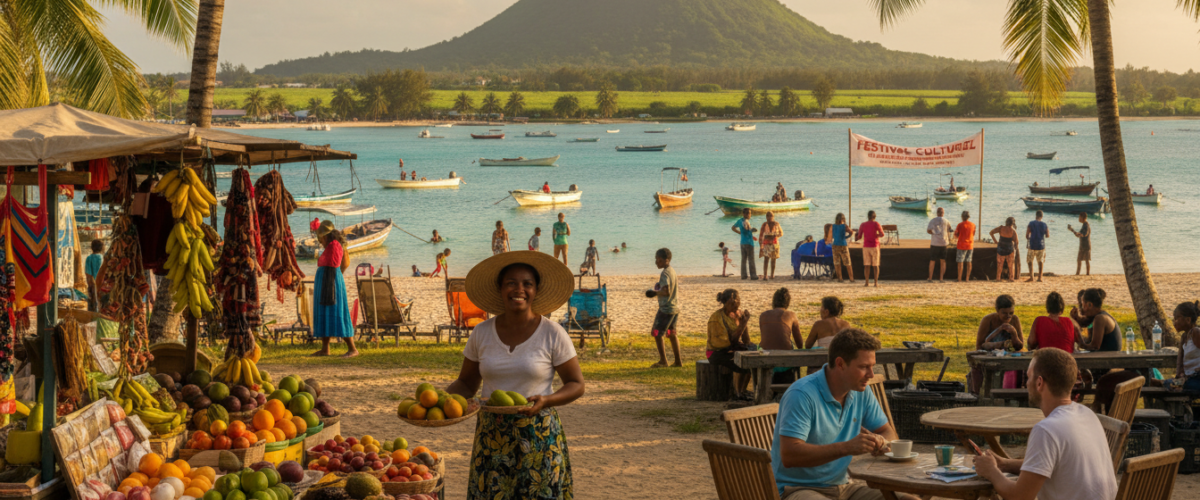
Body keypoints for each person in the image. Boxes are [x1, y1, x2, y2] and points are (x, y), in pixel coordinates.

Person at [448, 250, 583, 499]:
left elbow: (576, 384)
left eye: (527, 284)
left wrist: (548, 400)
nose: (519, 289)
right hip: (492, 436)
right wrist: (437, 399)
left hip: (538, 434)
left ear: (536, 290)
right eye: (511, 283)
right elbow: (466, 383)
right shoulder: (481, 333)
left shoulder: (553, 333)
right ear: (500, 289)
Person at [772, 329, 904, 500]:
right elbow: (790, 455)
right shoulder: (802, 394)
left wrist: (882, 442)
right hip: (797, 489)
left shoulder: (860, 391)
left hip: (844, 487)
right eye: (864, 367)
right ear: (840, 363)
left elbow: (889, 432)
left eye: (872, 367)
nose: (871, 375)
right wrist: (846, 447)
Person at [972, 348, 1118, 500]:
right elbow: (1053, 465)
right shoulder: (1087, 414)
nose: (1026, 383)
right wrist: (1004, 464)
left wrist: (992, 472)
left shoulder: (1046, 430)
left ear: (1039, 382)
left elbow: (1020, 496)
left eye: (1028, 377)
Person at [311, 221, 358, 358]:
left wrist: (329, 282)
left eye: (321, 239)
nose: (321, 242)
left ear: (325, 236)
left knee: (338, 312)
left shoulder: (335, 246)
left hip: (331, 281)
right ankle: (325, 348)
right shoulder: (332, 246)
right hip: (327, 280)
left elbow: (336, 264)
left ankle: (352, 348)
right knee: (324, 312)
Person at [970, 294, 1026, 392]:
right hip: (990, 357)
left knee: (1024, 368)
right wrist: (997, 346)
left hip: (1010, 358)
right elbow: (979, 346)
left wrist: (1014, 333)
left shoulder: (1015, 320)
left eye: (1011, 313)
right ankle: (977, 395)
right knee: (976, 368)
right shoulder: (988, 320)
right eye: (1004, 313)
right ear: (997, 310)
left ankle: (1018, 395)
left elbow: (1020, 346)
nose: (1008, 316)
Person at [707, 289, 752, 399]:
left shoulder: (738, 314)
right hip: (717, 352)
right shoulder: (716, 318)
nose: (736, 305)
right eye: (732, 303)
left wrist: (744, 324)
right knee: (743, 365)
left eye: (738, 301)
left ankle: (742, 390)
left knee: (753, 354)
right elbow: (729, 341)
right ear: (725, 303)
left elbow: (746, 340)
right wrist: (742, 325)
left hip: (731, 349)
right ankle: (738, 393)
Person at [760, 288, 803, 383]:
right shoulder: (791, 315)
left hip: (765, 357)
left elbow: (765, 336)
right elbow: (799, 344)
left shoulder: (763, 315)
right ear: (787, 302)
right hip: (785, 359)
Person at [649, 248, 682, 368]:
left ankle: (663, 361)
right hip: (675, 307)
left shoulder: (665, 273)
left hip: (666, 309)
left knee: (657, 333)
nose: (656, 262)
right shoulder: (672, 271)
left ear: (666, 260)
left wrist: (655, 292)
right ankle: (678, 361)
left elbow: (666, 291)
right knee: (672, 334)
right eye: (656, 260)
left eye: (659, 260)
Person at [1171, 301, 1200, 393]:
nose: (1174, 322)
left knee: (1171, 385)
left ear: (1188, 320)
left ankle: (1162, 382)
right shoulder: (1184, 337)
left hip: (1197, 379)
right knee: (1173, 384)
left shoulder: (1196, 332)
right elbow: (1180, 362)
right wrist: (1181, 375)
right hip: (1190, 378)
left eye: (1177, 319)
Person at [855, 211, 883, 288]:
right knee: (875, 265)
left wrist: (856, 236)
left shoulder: (863, 225)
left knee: (867, 265)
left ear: (868, 216)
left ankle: (866, 282)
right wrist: (876, 235)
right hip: (874, 245)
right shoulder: (876, 224)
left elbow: (859, 237)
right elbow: (882, 234)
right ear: (874, 217)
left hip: (866, 246)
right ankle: (875, 283)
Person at [926, 207, 954, 282]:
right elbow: (950, 230)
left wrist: (933, 233)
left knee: (932, 260)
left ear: (937, 213)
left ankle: (930, 278)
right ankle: (941, 278)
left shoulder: (932, 220)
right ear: (943, 213)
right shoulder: (946, 221)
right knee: (943, 261)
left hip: (934, 243)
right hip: (943, 243)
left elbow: (928, 230)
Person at [989, 217, 1019, 282]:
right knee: (1010, 265)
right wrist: (1015, 249)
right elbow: (1016, 242)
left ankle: (998, 278)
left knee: (999, 264)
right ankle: (1011, 278)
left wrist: (995, 241)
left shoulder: (1001, 228)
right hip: (1009, 248)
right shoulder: (1013, 231)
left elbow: (991, 233)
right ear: (1012, 223)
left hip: (1001, 248)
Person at [732, 208, 758, 280]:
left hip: (742, 242)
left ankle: (743, 275)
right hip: (749, 243)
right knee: (751, 259)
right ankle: (753, 275)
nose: (750, 215)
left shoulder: (740, 221)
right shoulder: (746, 222)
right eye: (749, 213)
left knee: (743, 259)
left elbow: (733, 228)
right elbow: (747, 229)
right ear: (745, 214)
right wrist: (753, 230)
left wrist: (740, 233)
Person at [1026, 210, 1049, 282]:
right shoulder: (1044, 224)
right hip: (1041, 245)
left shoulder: (1031, 223)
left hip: (1032, 245)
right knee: (1040, 261)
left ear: (1036, 216)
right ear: (1042, 217)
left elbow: (1027, 235)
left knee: (1030, 261)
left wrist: (1029, 237)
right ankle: (1040, 277)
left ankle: (1031, 277)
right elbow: (1047, 235)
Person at [759, 211, 784, 280]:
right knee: (766, 259)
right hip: (766, 244)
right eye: (768, 216)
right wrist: (761, 244)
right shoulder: (764, 224)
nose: (769, 217)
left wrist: (775, 236)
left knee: (773, 260)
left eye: (771, 216)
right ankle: (765, 275)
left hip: (774, 244)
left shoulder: (776, 224)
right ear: (766, 217)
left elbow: (781, 233)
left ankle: (772, 275)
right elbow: (761, 235)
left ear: (773, 217)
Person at [954, 211, 975, 282]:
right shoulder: (973, 225)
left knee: (960, 262)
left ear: (962, 217)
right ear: (968, 217)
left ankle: (959, 278)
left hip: (961, 245)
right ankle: (967, 279)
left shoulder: (960, 225)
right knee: (969, 261)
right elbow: (973, 234)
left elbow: (956, 235)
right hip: (970, 245)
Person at [831, 213, 853, 283]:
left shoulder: (833, 226)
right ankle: (851, 278)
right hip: (843, 245)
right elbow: (851, 232)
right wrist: (846, 237)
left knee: (837, 263)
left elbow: (832, 236)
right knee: (847, 263)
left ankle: (840, 278)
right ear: (843, 219)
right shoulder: (844, 226)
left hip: (835, 245)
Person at [85, 239, 104, 311]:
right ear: (102, 248)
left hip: (94, 287)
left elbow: (89, 277)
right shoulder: (104, 258)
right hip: (103, 287)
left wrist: (92, 291)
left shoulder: (89, 258)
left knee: (93, 311)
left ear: (92, 248)